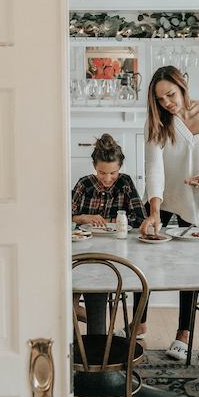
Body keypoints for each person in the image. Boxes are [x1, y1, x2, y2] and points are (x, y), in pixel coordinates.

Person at [138, 66, 199, 360]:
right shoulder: (158, 121)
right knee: (143, 263)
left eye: (171, 94)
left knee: (190, 269)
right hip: (160, 200)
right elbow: (154, 167)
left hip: (195, 201)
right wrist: (154, 209)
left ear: (183, 86)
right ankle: (139, 324)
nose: (167, 102)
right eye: (160, 99)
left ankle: (183, 332)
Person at [72, 133, 146, 333]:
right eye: (101, 172)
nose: (107, 179)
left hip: (116, 251)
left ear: (120, 167)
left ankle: (93, 333)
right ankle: (80, 330)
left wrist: (116, 222)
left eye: (113, 173)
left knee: (97, 275)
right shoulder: (83, 184)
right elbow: (64, 216)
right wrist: (83, 218)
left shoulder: (125, 183)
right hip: (83, 247)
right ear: (94, 167)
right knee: (72, 277)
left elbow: (140, 218)